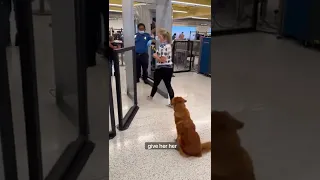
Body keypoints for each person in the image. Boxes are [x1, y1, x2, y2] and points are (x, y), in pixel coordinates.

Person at [148, 28, 175, 107]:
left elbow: (162, 60)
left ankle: (151, 96)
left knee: (156, 83)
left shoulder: (163, 46)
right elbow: (159, 53)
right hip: (169, 68)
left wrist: (156, 56)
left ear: (164, 36)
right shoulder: (168, 45)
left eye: (159, 36)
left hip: (162, 69)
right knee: (168, 85)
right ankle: (172, 103)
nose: (158, 37)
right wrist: (154, 50)